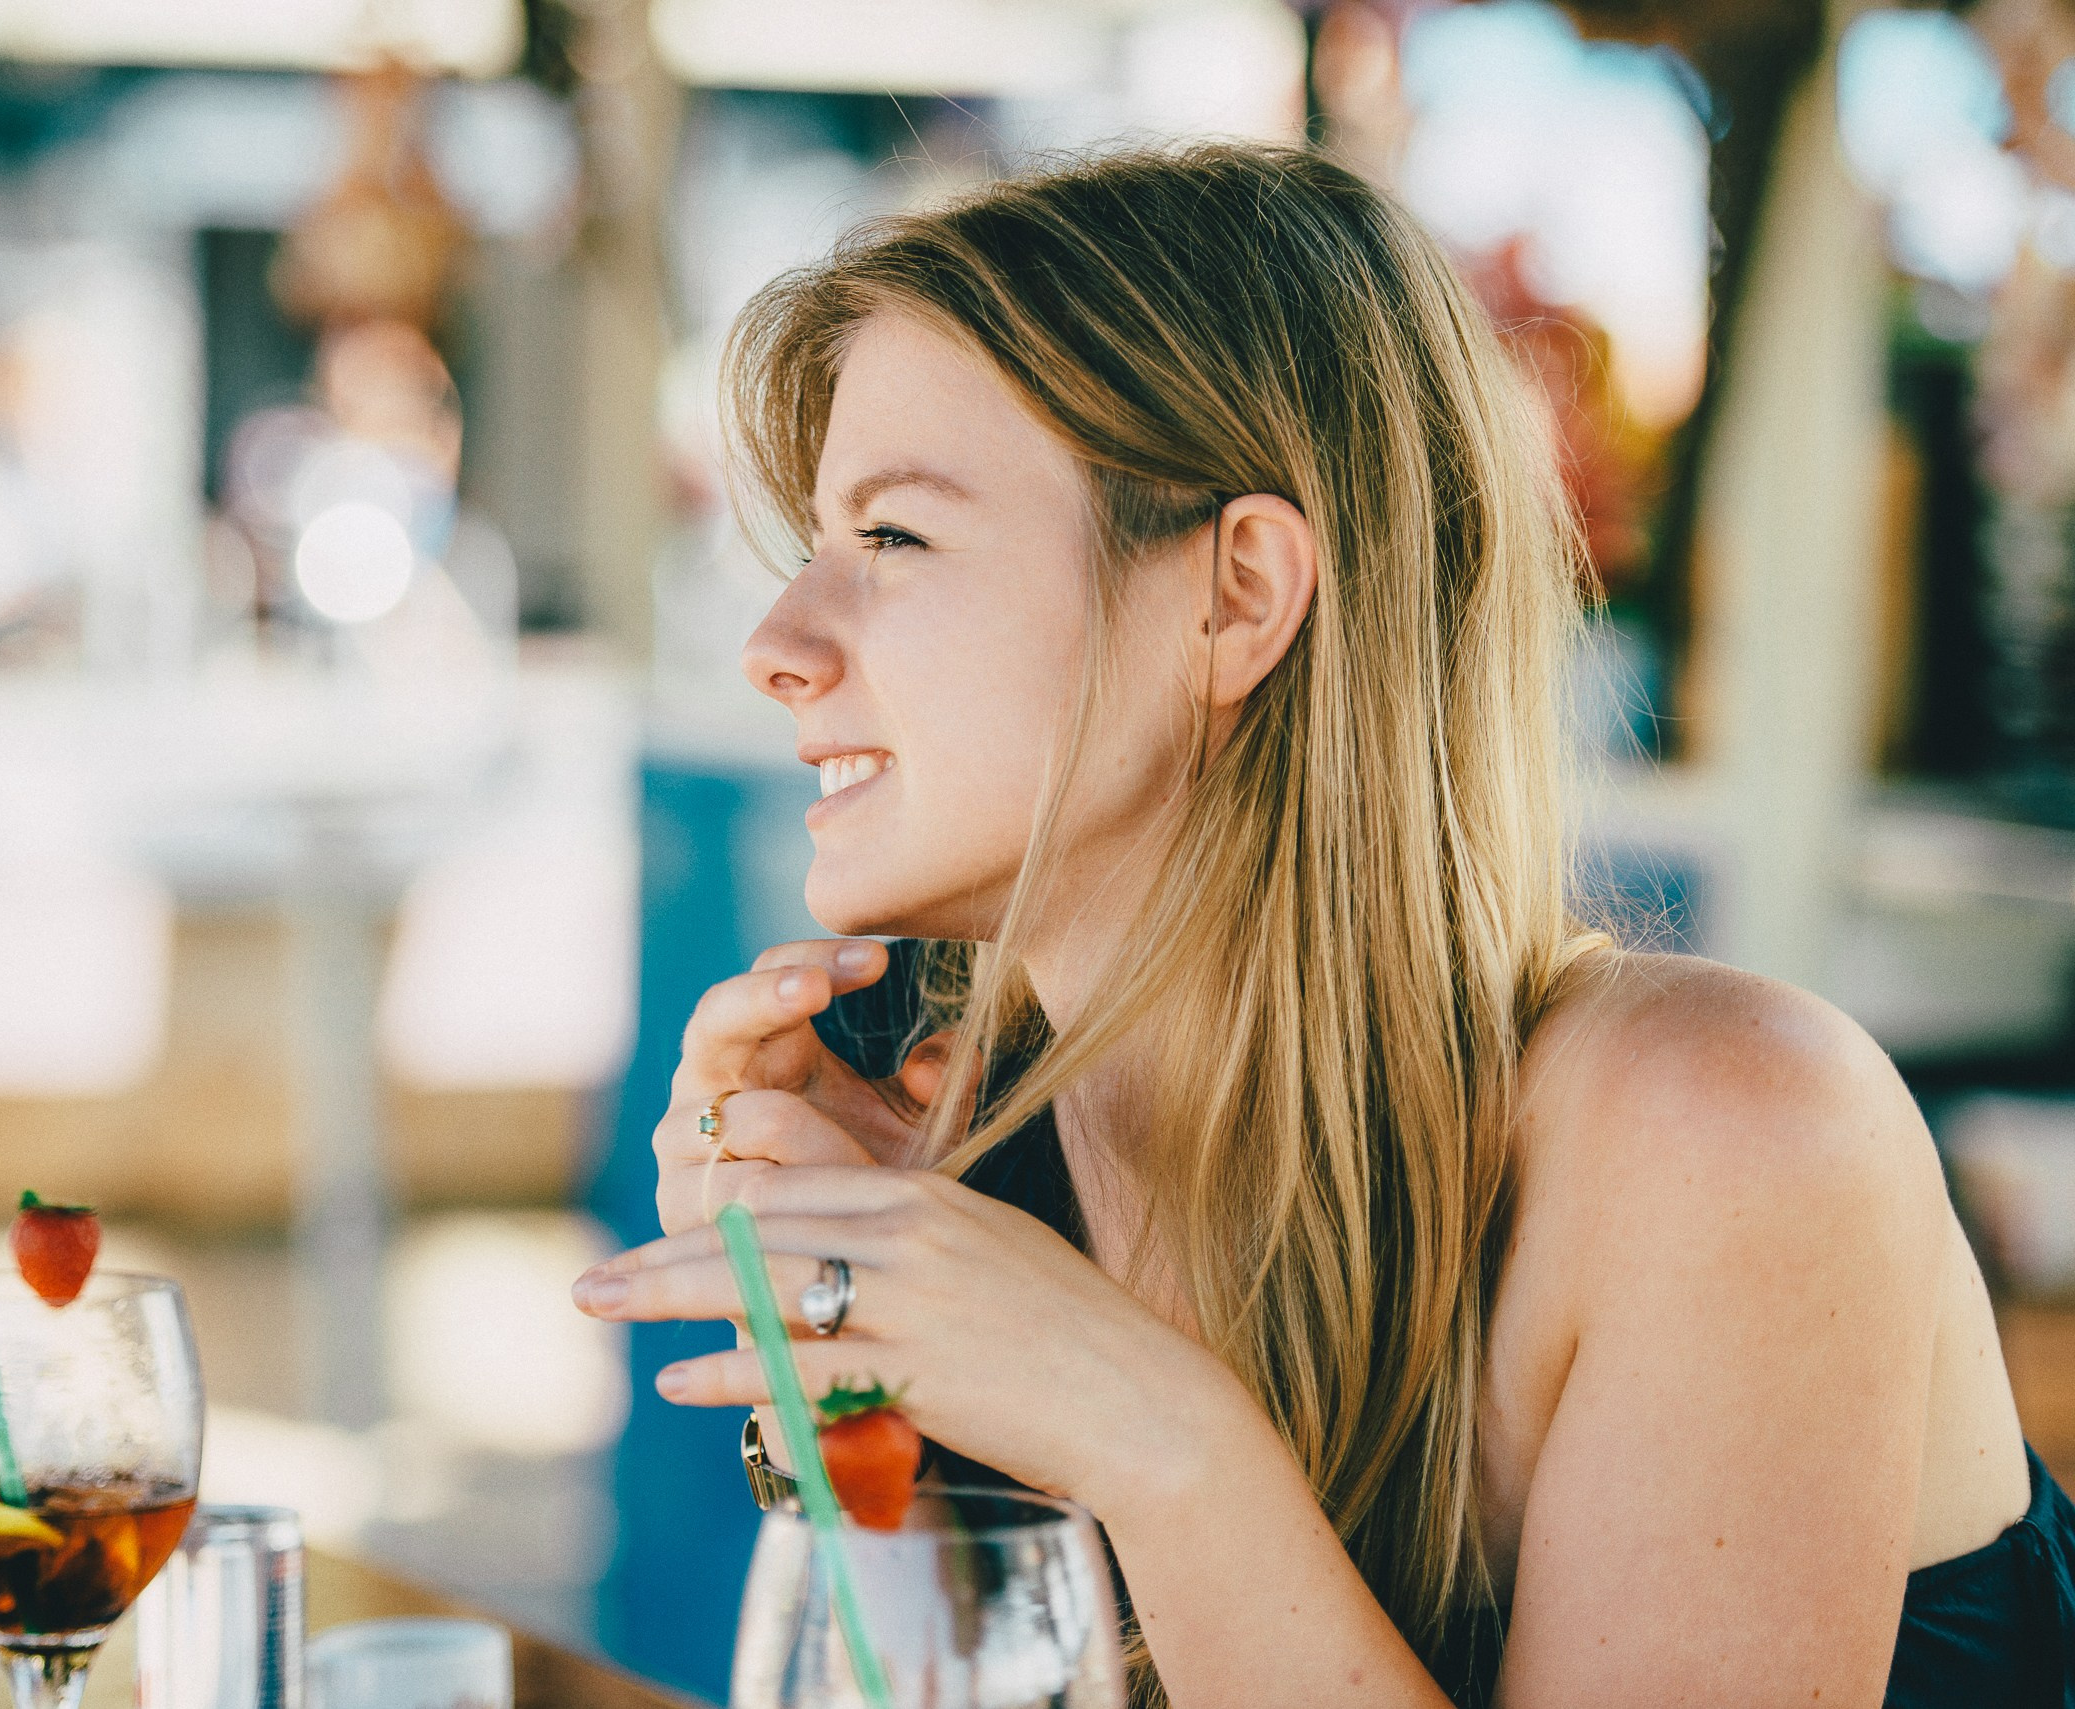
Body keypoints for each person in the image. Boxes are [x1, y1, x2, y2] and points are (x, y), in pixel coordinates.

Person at [569, 145, 2074, 1707]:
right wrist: (847, 1357)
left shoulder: (1732, 1134)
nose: (776, 644)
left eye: (892, 539)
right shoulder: (976, 1138)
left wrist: (1151, 1437)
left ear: (1237, 593)